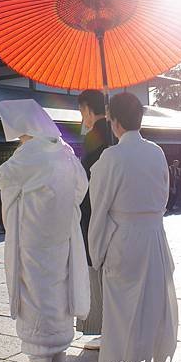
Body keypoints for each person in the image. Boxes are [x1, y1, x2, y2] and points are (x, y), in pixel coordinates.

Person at [89, 92, 178, 362]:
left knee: (122, 307)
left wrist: (96, 251)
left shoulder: (111, 157)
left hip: (124, 237)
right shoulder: (156, 152)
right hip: (154, 234)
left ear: (114, 122)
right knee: (156, 302)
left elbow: (99, 208)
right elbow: (164, 196)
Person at [0, 99, 90, 362]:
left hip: (33, 232)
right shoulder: (65, 150)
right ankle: (59, 347)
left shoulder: (28, 152)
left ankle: (40, 350)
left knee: (36, 289)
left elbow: (4, 177)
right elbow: (80, 187)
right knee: (59, 285)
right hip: (61, 231)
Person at [76, 89, 108, 345]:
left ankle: (105, 329)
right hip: (114, 215)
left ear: (87, 109)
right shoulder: (113, 132)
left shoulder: (95, 136)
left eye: (81, 112)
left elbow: (87, 178)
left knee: (98, 271)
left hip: (95, 214)